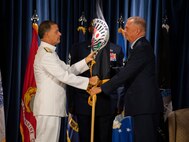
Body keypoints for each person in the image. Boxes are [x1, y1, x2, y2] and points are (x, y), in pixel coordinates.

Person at [90, 16, 164, 142]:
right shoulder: (138, 47)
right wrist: (107, 72)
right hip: (141, 106)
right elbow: (128, 70)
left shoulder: (142, 48)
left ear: (137, 32)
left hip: (144, 107)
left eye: (127, 28)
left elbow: (126, 73)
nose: (123, 31)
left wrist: (102, 88)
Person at [33, 20, 98, 142]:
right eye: (56, 31)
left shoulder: (51, 53)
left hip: (51, 108)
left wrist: (85, 61)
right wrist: (88, 82)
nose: (60, 34)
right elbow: (64, 76)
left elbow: (68, 70)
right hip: (48, 108)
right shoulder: (45, 54)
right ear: (46, 35)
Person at [67, 18, 124, 142]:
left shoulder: (116, 49)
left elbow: (119, 79)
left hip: (106, 102)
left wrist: (119, 103)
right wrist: (71, 103)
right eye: (95, 27)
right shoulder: (77, 48)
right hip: (84, 102)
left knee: (104, 138)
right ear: (90, 29)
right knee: (85, 138)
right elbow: (71, 75)